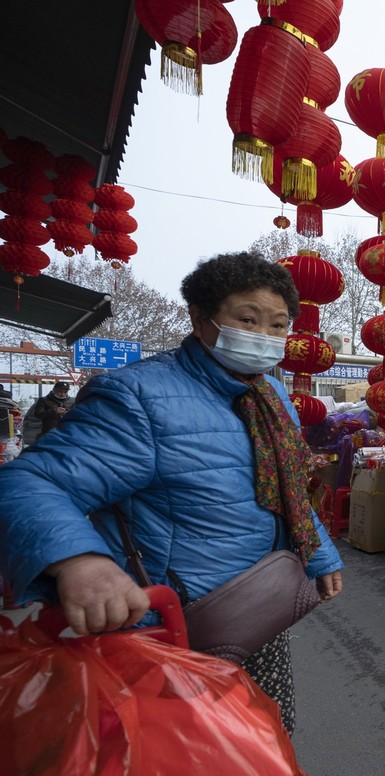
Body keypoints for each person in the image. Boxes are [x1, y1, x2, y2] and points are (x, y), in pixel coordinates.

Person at [0, 252, 345, 734]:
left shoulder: (271, 395)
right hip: (175, 630)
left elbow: (287, 483)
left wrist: (321, 555)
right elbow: (29, 482)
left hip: (256, 616)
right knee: (186, 762)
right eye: (247, 320)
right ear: (201, 318)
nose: (264, 337)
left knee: (264, 748)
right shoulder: (138, 395)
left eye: (277, 325)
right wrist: (81, 561)